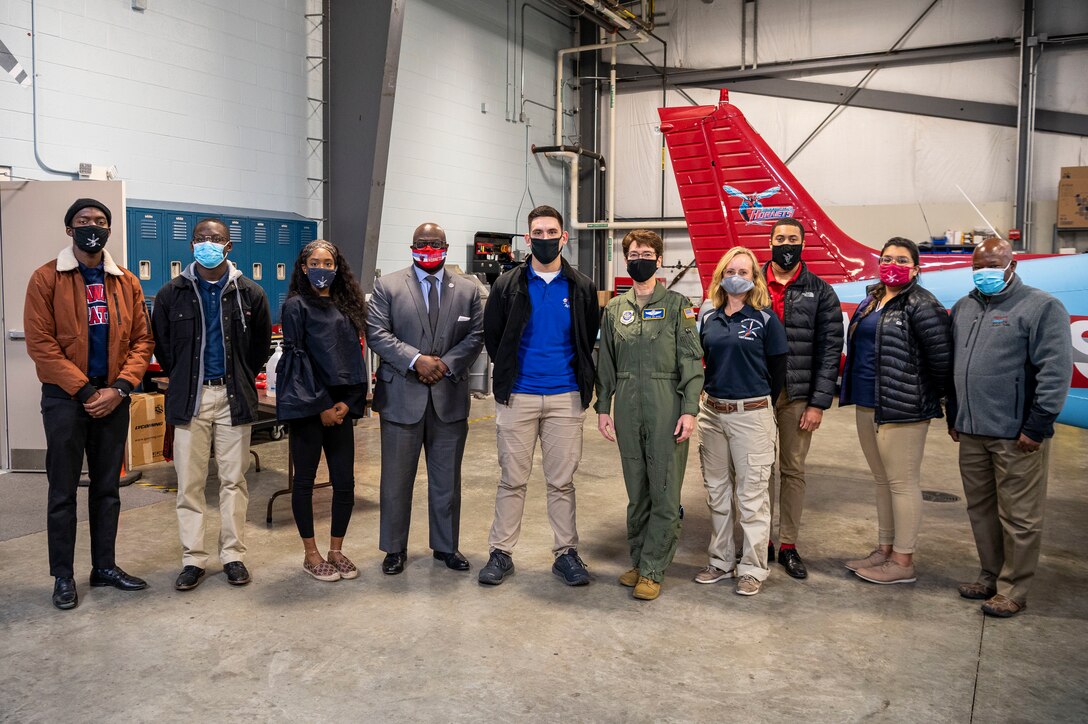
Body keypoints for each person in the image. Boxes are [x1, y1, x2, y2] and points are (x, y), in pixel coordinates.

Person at [24, 198, 155, 610]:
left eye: (100, 221)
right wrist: (84, 392)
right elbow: (41, 345)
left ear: (110, 229)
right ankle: (63, 576)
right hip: (66, 399)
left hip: (112, 397)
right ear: (69, 230)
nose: (92, 227)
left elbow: (142, 340)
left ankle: (105, 567)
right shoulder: (46, 279)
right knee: (62, 491)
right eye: (83, 221)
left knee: (107, 490)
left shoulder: (126, 282)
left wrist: (118, 388)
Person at [947, 238, 1072, 617]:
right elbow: (954, 363)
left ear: (1011, 266)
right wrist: (955, 413)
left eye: (993, 264)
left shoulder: (1041, 306)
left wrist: (1037, 425)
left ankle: (1014, 588)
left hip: (1016, 433)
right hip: (971, 429)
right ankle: (989, 574)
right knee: (980, 509)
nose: (985, 272)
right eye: (978, 265)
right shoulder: (964, 307)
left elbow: (1055, 370)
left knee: (1019, 515)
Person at [478, 205, 600, 586]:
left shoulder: (580, 287)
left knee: (561, 482)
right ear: (527, 238)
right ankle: (501, 553)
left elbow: (587, 337)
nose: (544, 238)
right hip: (519, 396)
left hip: (566, 397)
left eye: (552, 232)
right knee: (511, 480)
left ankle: (566, 554)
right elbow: (493, 337)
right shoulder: (507, 285)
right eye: (537, 233)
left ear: (564, 237)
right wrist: (512, 378)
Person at [151, 217, 272, 591]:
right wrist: (189, 378)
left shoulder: (250, 293)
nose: (208, 243)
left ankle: (233, 554)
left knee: (234, 480)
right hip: (192, 398)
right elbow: (164, 347)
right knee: (190, 483)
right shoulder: (171, 293)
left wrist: (236, 377)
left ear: (228, 246)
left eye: (216, 238)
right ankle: (193, 559)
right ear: (191, 245)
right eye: (201, 238)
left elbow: (259, 348)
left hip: (232, 396)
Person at [366, 222, 484, 575]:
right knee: (396, 480)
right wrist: (417, 360)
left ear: (446, 247)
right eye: (421, 243)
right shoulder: (387, 286)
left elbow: (477, 335)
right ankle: (394, 548)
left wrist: (444, 364)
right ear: (411, 246)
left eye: (434, 243)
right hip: (402, 397)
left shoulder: (468, 289)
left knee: (447, 480)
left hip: (448, 398)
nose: (428, 248)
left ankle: (446, 546)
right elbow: (377, 333)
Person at [595, 230, 703, 601]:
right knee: (637, 492)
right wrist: (602, 408)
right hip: (626, 405)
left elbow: (691, 361)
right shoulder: (614, 309)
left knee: (664, 491)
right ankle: (639, 562)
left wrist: (690, 409)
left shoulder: (677, 306)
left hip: (665, 404)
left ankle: (655, 569)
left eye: (646, 252)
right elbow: (605, 364)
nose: (639, 257)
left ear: (658, 259)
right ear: (626, 259)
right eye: (633, 252)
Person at [840, 237, 951, 585]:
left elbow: (942, 360)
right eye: (887, 258)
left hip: (903, 406)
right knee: (881, 481)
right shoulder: (872, 300)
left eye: (902, 260)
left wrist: (943, 402)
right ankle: (885, 548)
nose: (893, 264)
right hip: (867, 401)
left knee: (902, 483)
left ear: (916, 268)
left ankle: (903, 560)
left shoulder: (921, 304)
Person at [695, 246, 787, 596]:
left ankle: (752, 567)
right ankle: (720, 561)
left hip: (752, 415)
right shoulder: (708, 316)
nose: (737, 276)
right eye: (730, 270)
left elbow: (777, 371)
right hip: (712, 414)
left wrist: (758, 404)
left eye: (744, 272)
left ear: (754, 279)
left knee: (751, 496)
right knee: (717, 492)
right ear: (721, 275)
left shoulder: (765, 319)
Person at [276, 240, 369, 582]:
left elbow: (355, 360)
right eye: (315, 262)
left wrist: (348, 403)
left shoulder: (347, 307)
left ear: (337, 267)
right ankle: (311, 553)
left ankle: (336, 548)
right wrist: (321, 408)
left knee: (345, 482)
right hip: (310, 408)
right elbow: (296, 361)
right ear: (303, 268)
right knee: (305, 481)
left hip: (342, 408)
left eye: (328, 263)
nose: (322, 268)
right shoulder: (296, 307)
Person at [763, 218, 843, 579]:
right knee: (758, 470)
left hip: (797, 396)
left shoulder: (821, 291)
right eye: (780, 238)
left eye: (792, 239)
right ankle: (759, 539)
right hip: (757, 393)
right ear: (770, 242)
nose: (786, 244)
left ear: (803, 244)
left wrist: (818, 403)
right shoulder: (751, 285)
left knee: (792, 470)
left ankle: (788, 545)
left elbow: (830, 350)